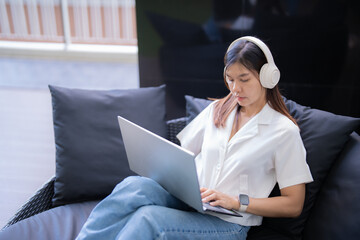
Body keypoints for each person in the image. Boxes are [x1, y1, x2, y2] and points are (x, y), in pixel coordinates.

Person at [75, 36, 313, 240]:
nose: (235, 89)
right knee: (133, 187)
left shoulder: (283, 132)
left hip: (229, 223)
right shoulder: (218, 110)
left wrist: (235, 201)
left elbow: (293, 204)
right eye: (230, 79)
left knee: (148, 218)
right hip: (193, 199)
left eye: (244, 79)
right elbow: (180, 153)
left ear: (267, 76)